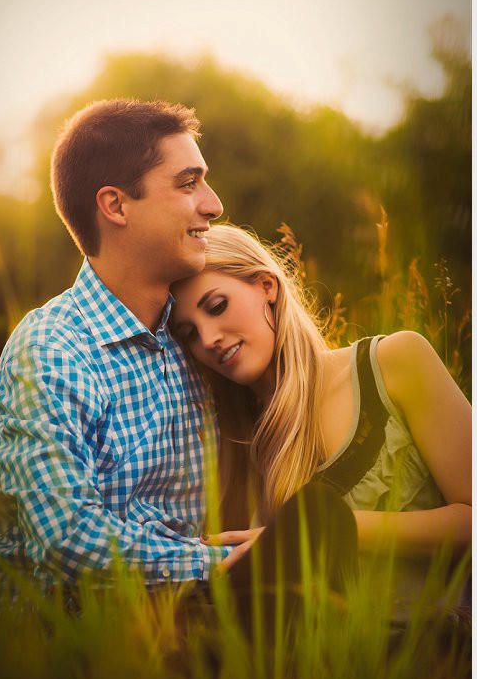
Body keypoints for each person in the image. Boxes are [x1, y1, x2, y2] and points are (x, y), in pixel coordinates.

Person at [0, 98, 246, 590]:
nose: (213, 204)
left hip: (201, 627)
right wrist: (228, 564)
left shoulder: (199, 335)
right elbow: (69, 539)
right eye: (188, 183)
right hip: (76, 648)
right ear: (115, 205)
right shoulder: (51, 351)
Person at [169, 224, 471, 601]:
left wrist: (329, 528)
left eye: (216, 307)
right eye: (189, 334)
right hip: (316, 655)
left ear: (267, 286)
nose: (209, 338)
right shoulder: (233, 445)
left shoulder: (394, 364)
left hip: (433, 647)